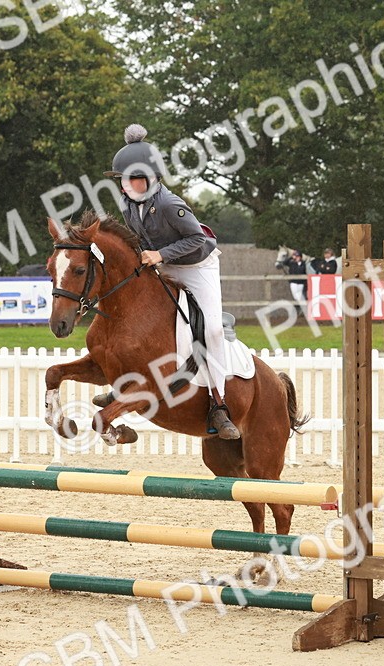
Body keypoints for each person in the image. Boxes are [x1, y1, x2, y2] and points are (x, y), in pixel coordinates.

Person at [104, 124, 240, 440]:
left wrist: (160, 255)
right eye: (125, 180)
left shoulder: (169, 204)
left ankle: (218, 404)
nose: (129, 185)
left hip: (197, 266)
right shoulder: (127, 204)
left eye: (136, 179)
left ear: (153, 178)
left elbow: (196, 238)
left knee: (212, 331)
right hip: (162, 263)